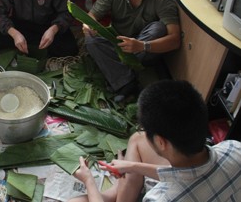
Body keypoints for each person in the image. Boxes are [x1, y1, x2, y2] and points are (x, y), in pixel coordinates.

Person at [70, 80, 241, 202]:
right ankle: (117, 191)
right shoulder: (233, 148)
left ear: (161, 142)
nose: (144, 133)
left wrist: (89, 181)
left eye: (146, 130)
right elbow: (189, 172)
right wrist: (133, 166)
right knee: (136, 139)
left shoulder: (160, 198)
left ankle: (115, 192)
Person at [83, 0, 181, 102]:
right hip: (119, 44)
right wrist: (88, 25)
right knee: (90, 39)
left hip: (144, 49)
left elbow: (175, 40)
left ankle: (118, 76)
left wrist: (142, 46)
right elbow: (92, 15)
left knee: (158, 29)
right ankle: (128, 80)